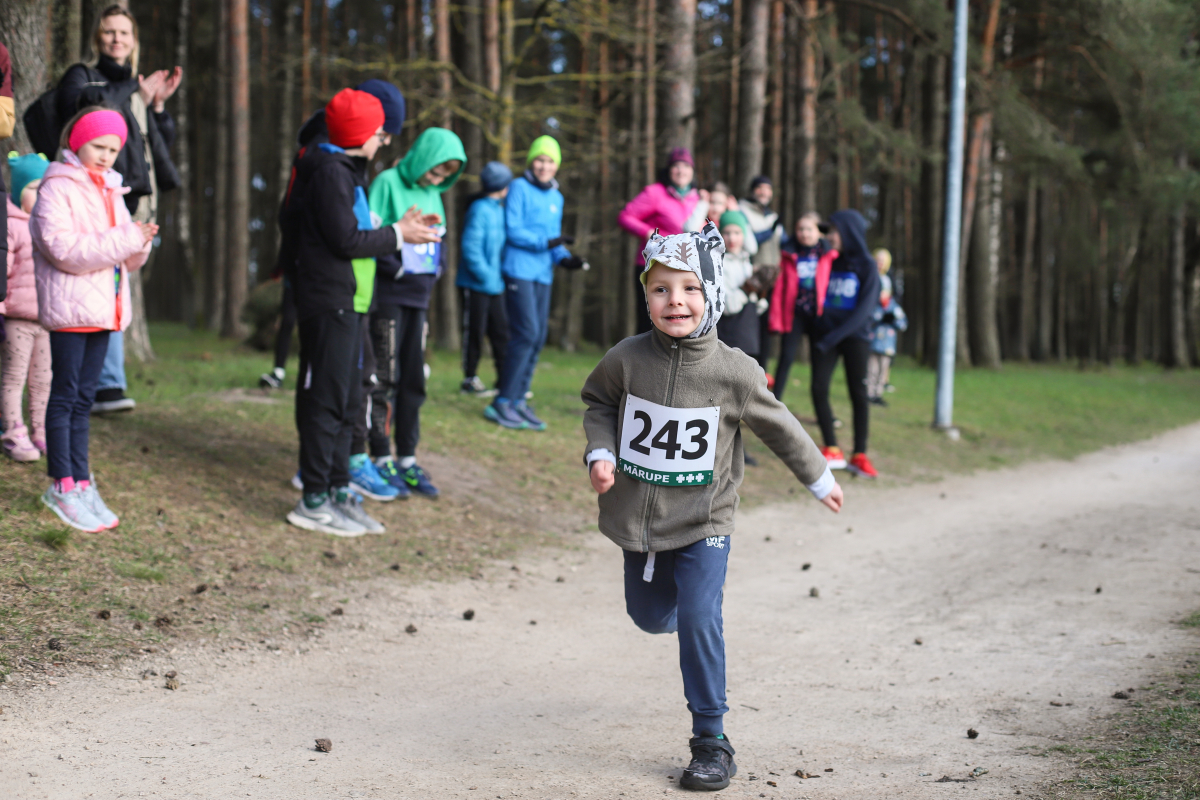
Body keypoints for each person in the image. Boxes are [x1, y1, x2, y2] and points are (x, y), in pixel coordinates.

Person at [581, 223, 844, 792]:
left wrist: (818, 477)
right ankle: (687, 615)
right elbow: (598, 400)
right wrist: (601, 450)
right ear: (645, 295)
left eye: (690, 289)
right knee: (650, 616)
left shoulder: (736, 372)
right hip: (642, 522)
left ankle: (711, 740)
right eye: (660, 289)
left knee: (700, 614)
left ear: (713, 294)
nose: (675, 301)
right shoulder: (626, 360)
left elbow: (782, 428)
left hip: (706, 521)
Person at [288, 88, 409, 536]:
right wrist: (398, 234)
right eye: (379, 132)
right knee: (327, 401)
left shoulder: (347, 171)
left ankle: (339, 491)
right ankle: (313, 499)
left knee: (346, 402)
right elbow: (346, 240)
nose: (383, 141)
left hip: (352, 301)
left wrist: (395, 233)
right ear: (362, 134)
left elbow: (357, 232)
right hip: (329, 300)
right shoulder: (330, 172)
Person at [30, 108, 155, 531]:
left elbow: (122, 257)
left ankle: (82, 480)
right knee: (65, 397)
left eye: (113, 150)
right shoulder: (56, 187)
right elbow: (64, 250)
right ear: (76, 142)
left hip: (103, 310)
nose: (106, 156)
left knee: (85, 400)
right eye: (99, 147)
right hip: (70, 311)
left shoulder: (111, 189)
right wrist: (124, 238)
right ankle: (61, 485)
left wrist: (139, 242)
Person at [55, 4, 182, 415]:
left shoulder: (136, 85)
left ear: (134, 40)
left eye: (124, 33)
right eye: (109, 32)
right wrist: (135, 95)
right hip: (90, 194)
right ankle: (102, 384)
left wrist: (158, 106)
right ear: (98, 38)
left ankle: (103, 381)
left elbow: (157, 143)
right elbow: (80, 107)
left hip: (134, 198)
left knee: (115, 286)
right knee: (93, 282)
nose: (116, 39)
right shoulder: (82, 74)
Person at [261, 79, 407, 392]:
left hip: (343, 286)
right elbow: (315, 223)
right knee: (324, 383)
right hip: (325, 284)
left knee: (338, 383)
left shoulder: (344, 159)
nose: (384, 142)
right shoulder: (328, 161)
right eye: (382, 134)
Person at [367, 126, 467, 496]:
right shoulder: (388, 182)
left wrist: (435, 270)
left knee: (414, 379)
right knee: (385, 376)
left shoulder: (434, 194)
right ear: (424, 156)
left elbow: (433, 239)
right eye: (435, 170)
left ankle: (407, 458)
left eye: (444, 176)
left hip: (418, 297)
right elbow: (370, 234)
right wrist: (392, 264)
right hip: (388, 296)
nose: (436, 179)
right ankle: (379, 455)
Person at [485, 136, 585, 431]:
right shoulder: (518, 188)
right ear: (531, 161)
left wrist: (565, 258)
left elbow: (553, 240)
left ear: (557, 166)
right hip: (518, 270)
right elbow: (513, 231)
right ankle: (501, 401)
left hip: (543, 273)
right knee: (525, 333)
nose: (544, 166)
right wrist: (548, 242)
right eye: (539, 160)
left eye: (550, 161)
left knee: (538, 336)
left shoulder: (556, 197)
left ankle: (518, 401)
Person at [809, 209, 881, 478]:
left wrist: (831, 338)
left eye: (834, 231)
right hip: (825, 338)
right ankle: (832, 448)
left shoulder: (867, 265)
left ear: (849, 232)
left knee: (858, 394)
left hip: (853, 339)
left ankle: (859, 455)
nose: (829, 236)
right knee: (818, 388)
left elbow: (864, 313)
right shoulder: (831, 261)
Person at [618, 147, 701, 334]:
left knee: (678, 320)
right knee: (650, 320)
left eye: (686, 166)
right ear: (669, 170)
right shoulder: (655, 193)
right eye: (676, 166)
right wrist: (647, 232)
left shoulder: (697, 199)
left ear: (692, 171)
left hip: (684, 267)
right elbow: (625, 216)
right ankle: (641, 362)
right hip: (652, 265)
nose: (681, 171)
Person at [3, 153, 51, 462]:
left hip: (45, 320)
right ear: (20, 191)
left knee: (43, 378)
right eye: (35, 187)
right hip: (16, 318)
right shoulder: (12, 226)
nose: (42, 195)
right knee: (14, 376)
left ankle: (40, 430)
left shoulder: (48, 228)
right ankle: (11, 430)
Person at [457, 161, 512, 397]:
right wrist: (488, 278)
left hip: (494, 285)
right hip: (475, 285)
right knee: (474, 332)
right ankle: (470, 379)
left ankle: (504, 380)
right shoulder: (480, 209)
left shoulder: (498, 208)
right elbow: (471, 250)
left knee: (501, 332)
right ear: (502, 186)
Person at [770, 212, 836, 401]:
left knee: (820, 363)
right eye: (800, 229)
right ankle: (775, 405)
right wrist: (776, 318)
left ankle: (822, 406)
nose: (804, 233)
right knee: (786, 359)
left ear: (819, 232)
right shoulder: (789, 253)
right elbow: (780, 288)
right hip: (795, 314)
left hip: (819, 315)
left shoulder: (829, 254)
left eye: (809, 229)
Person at [740, 176, 783, 374]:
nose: (764, 193)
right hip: (752, 277)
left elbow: (784, 243)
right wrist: (771, 229)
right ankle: (744, 373)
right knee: (749, 328)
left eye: (768, 189)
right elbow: (749, 240)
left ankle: (761, 376)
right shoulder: (743, 211)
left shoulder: (773, 216)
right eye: (760, 188)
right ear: (752, 190)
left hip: (772, 278)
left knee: (766, 329)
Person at [714, 210, 760, 358]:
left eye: (737, 232)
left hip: (749, 330)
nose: (732, 238)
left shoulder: (746, 261)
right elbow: (728, 307)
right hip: (729, 333)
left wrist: (761, 296)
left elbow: (755, 305)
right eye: (727, 232)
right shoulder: (719, 263)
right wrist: (746, 290)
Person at [867, 248, 906, 406]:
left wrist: (893, 318)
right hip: (873, 337)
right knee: (872, 368)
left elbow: (902, 322)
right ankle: (869, 392)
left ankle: (878, 393)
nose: (880, 262)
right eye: (878, 258)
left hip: (888, 342)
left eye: (884, 259)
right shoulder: (870, 276)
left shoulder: (890, 279)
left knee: (883, 368)